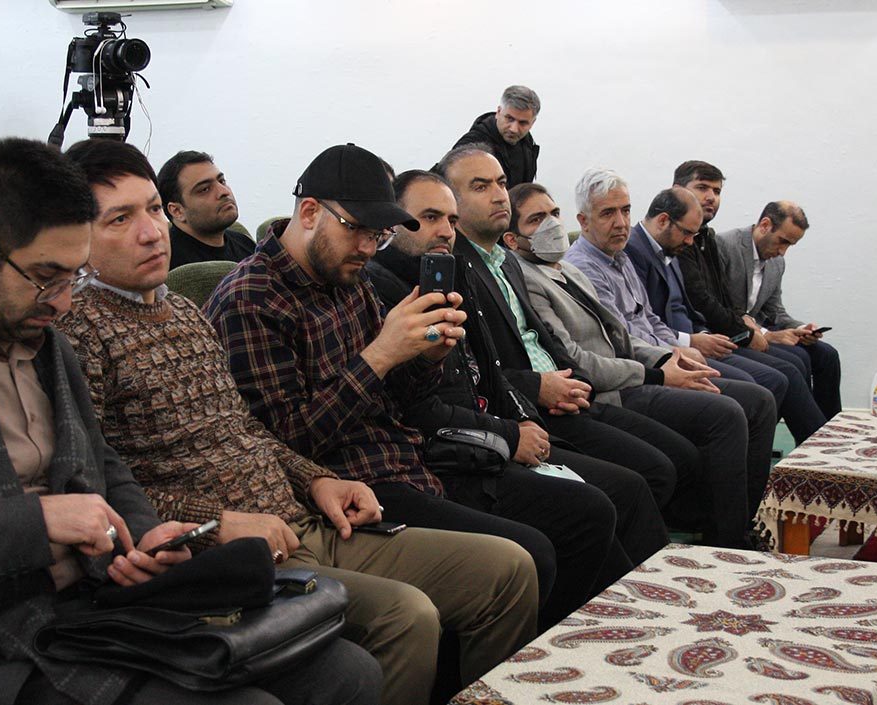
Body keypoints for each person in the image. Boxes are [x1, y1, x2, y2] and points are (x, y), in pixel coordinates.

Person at [0, 137, 379, 705]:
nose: (64, 303)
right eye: (47, 278)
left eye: (73, 276)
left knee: (349, 673)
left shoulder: (43, 338)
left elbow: (104, 462)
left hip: (100, 601)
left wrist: (145, 534)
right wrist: (36, 522)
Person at [59, 139, 537, 705]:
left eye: (153, 210)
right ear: (77, 238)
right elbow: (107, 488)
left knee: (510, 568)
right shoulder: (82, 330)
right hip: (229, 548)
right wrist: (216, 524)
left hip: (307, 512)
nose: (152, 232)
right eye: (120, 219)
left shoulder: (182, 310)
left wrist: (316, 479)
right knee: (408, 615)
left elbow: (247, 432)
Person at [202, 143, 540, 686]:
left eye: (377, 235)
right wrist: (380, 354)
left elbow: (401, 400)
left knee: (534, 551)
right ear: (309, 212)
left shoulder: (350, 282)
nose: (367, 248)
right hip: (344, 494)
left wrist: (425, 358)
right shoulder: (251, 299)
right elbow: (284, 442)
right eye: (356, 229)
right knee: (524, 555)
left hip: (407, 464)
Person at [367, 169, 665, 625]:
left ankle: (641, 616)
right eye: (429, 218)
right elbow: (420, 408)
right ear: (390, 224)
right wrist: (511, 434)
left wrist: (524, 421)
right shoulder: (384, 291)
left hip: (499, 429)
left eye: (449, 220)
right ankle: (572, 637)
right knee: (592, 509)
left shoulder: (457, 274)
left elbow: (494, 369)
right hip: (451, 455)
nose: (444, 231)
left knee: (626, 489)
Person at [433, 145, 688, 554]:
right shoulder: (455, 270)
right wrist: (539, 388)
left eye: (501, 183)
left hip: (567, 393)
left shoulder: (505, 261)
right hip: (525, 410)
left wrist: (578, 381)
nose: (498, 195)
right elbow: (474, 373)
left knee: (664, 462)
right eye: (480, 187)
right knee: (636, 483)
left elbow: (548, 341)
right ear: (453, 203)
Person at [510, 182, 776, 547]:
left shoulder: (571, 270)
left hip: (635, 369)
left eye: (554, 214)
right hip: (612, 388)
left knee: (756, 396)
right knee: (726, 414)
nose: (621, 222)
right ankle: (728, 539)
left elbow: (628, 331)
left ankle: (734, 522)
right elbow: (577, 359)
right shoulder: (535, 276)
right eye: (536, 219)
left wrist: (668, 356)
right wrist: (660, 371)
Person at [672, 161, 830, 440]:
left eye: (717, 191)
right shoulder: (721, 243)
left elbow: (746, 303)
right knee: (786, 371)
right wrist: (750, 332)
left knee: (822, 355)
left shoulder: (705, 237)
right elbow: (701, 300)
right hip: (705, 334)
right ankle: (817, 445)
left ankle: (829, 432)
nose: (711, 197)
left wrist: (795, 328)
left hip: (726, 329)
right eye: (703, 188)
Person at [718, 201, 842, 420]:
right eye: (782, 241)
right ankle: (812, 431)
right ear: (765, 225)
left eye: (790, 245)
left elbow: (775, 311)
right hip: (731, 331)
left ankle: (830, 425)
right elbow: (721, 308)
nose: (783, 252)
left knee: (827, 355)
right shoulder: (725, 246)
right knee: (796, 361)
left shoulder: (776, 263)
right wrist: (768, 334)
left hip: (758, 329)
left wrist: (801, 329)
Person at [157, 150, 256, 267]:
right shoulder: (163, 263)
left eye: (222, 181)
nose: (224, 192)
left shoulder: (245, 244)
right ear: (177, 211)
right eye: (205, 189)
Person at [450, 86, 541, 187]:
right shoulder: (472, 144)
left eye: (523, 123)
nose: (514, 129)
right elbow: (442, 180)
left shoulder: (527, 143)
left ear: (532, 123)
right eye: (509, 118)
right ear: (498, 112)